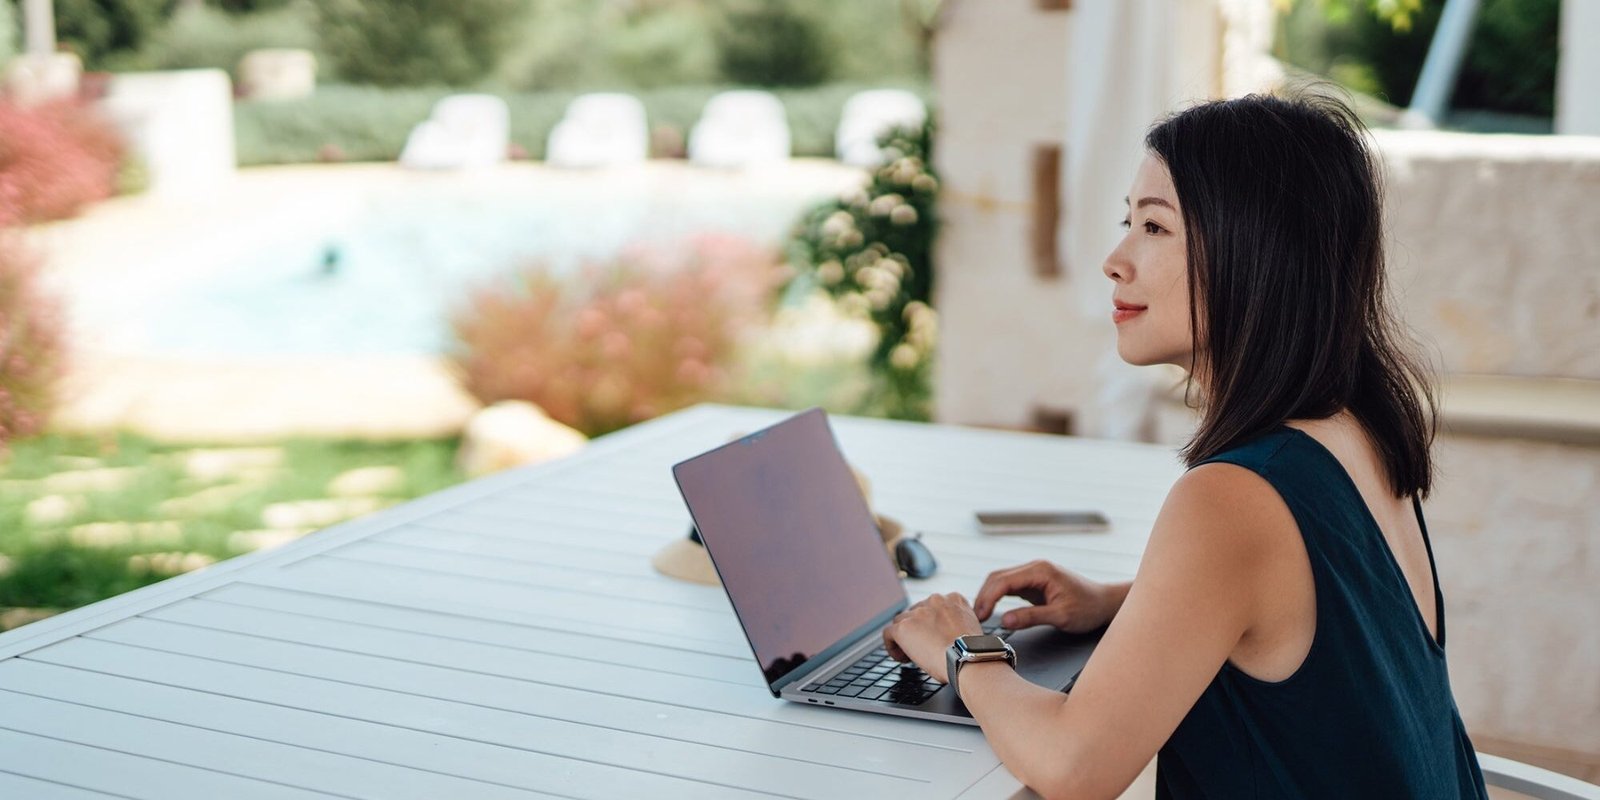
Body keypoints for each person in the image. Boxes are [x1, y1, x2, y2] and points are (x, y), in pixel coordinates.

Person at [882, 90, 1490, 799]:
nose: (1115, 260)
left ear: (1254, 250)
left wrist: (960, 647)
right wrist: (1124, 602)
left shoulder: (1235, 496)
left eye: (1155, 227)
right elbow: (1322, 610)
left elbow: (1074, 767)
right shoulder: (1357, 424)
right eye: (1128, 223)